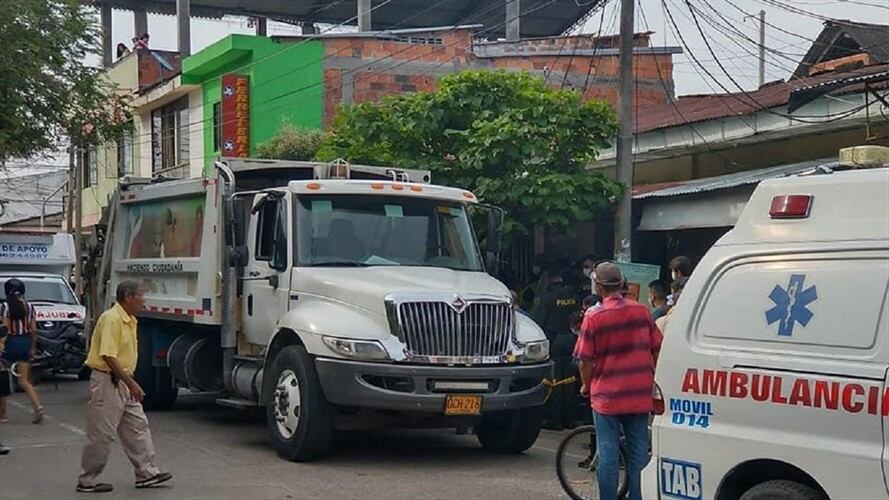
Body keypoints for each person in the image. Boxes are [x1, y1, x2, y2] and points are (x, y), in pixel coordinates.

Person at [574, 262, 663, 500]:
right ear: (622, 284)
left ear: (599, 286)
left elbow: (584, 359)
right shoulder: (642, 311)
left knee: (608, 451)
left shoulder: (594, 317)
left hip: (607, 396)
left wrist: (586, 384)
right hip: (639, 393)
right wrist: (649, 374)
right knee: (638, 454)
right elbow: (657, 346)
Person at [76, 281, 172, 493]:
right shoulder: (112, 319)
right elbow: (108, 355)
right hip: (108, 382)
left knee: (138, 427)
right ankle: (87, 480)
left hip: (123, 382)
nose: (143, 301)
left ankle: (146, 473)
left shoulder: (130, 320)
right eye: (140, 296)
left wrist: (129, 383)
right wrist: (132, 383)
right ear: (128, 297)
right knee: (101, 433)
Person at [531, 267, 579, 430]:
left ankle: (556, 420)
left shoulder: (546, 297)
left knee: (556, 381)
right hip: (571, 339)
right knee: (570, 380)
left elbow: (538, 321)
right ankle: (570, 419)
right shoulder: (572, 296)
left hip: (555, 340)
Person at [1, 279, 44, 424]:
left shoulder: (5, 307)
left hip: (10, 343)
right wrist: (32, 347)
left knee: (2, 379)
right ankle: (37, 406)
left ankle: (3, 415)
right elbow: (34, 330)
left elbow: (5, 329)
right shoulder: (30, 307)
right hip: (25, 343)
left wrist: (1, 344)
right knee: (23, 380)